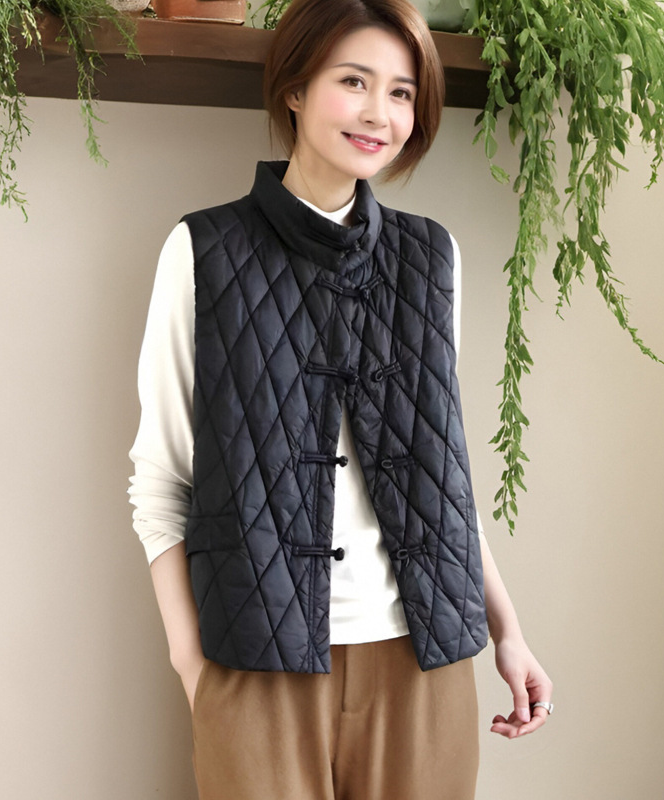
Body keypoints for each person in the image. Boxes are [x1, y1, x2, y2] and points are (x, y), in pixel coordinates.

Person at [128, 0, 553, 797]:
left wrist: (509, 630)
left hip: (422, 658)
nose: (379, 113)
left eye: (401, 92)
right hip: (257, 662)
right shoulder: (203, 250)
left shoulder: (431, 257)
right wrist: (196, 671)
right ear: (293, 88)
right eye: (353, 81)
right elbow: (160, 482)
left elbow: (443, 473)